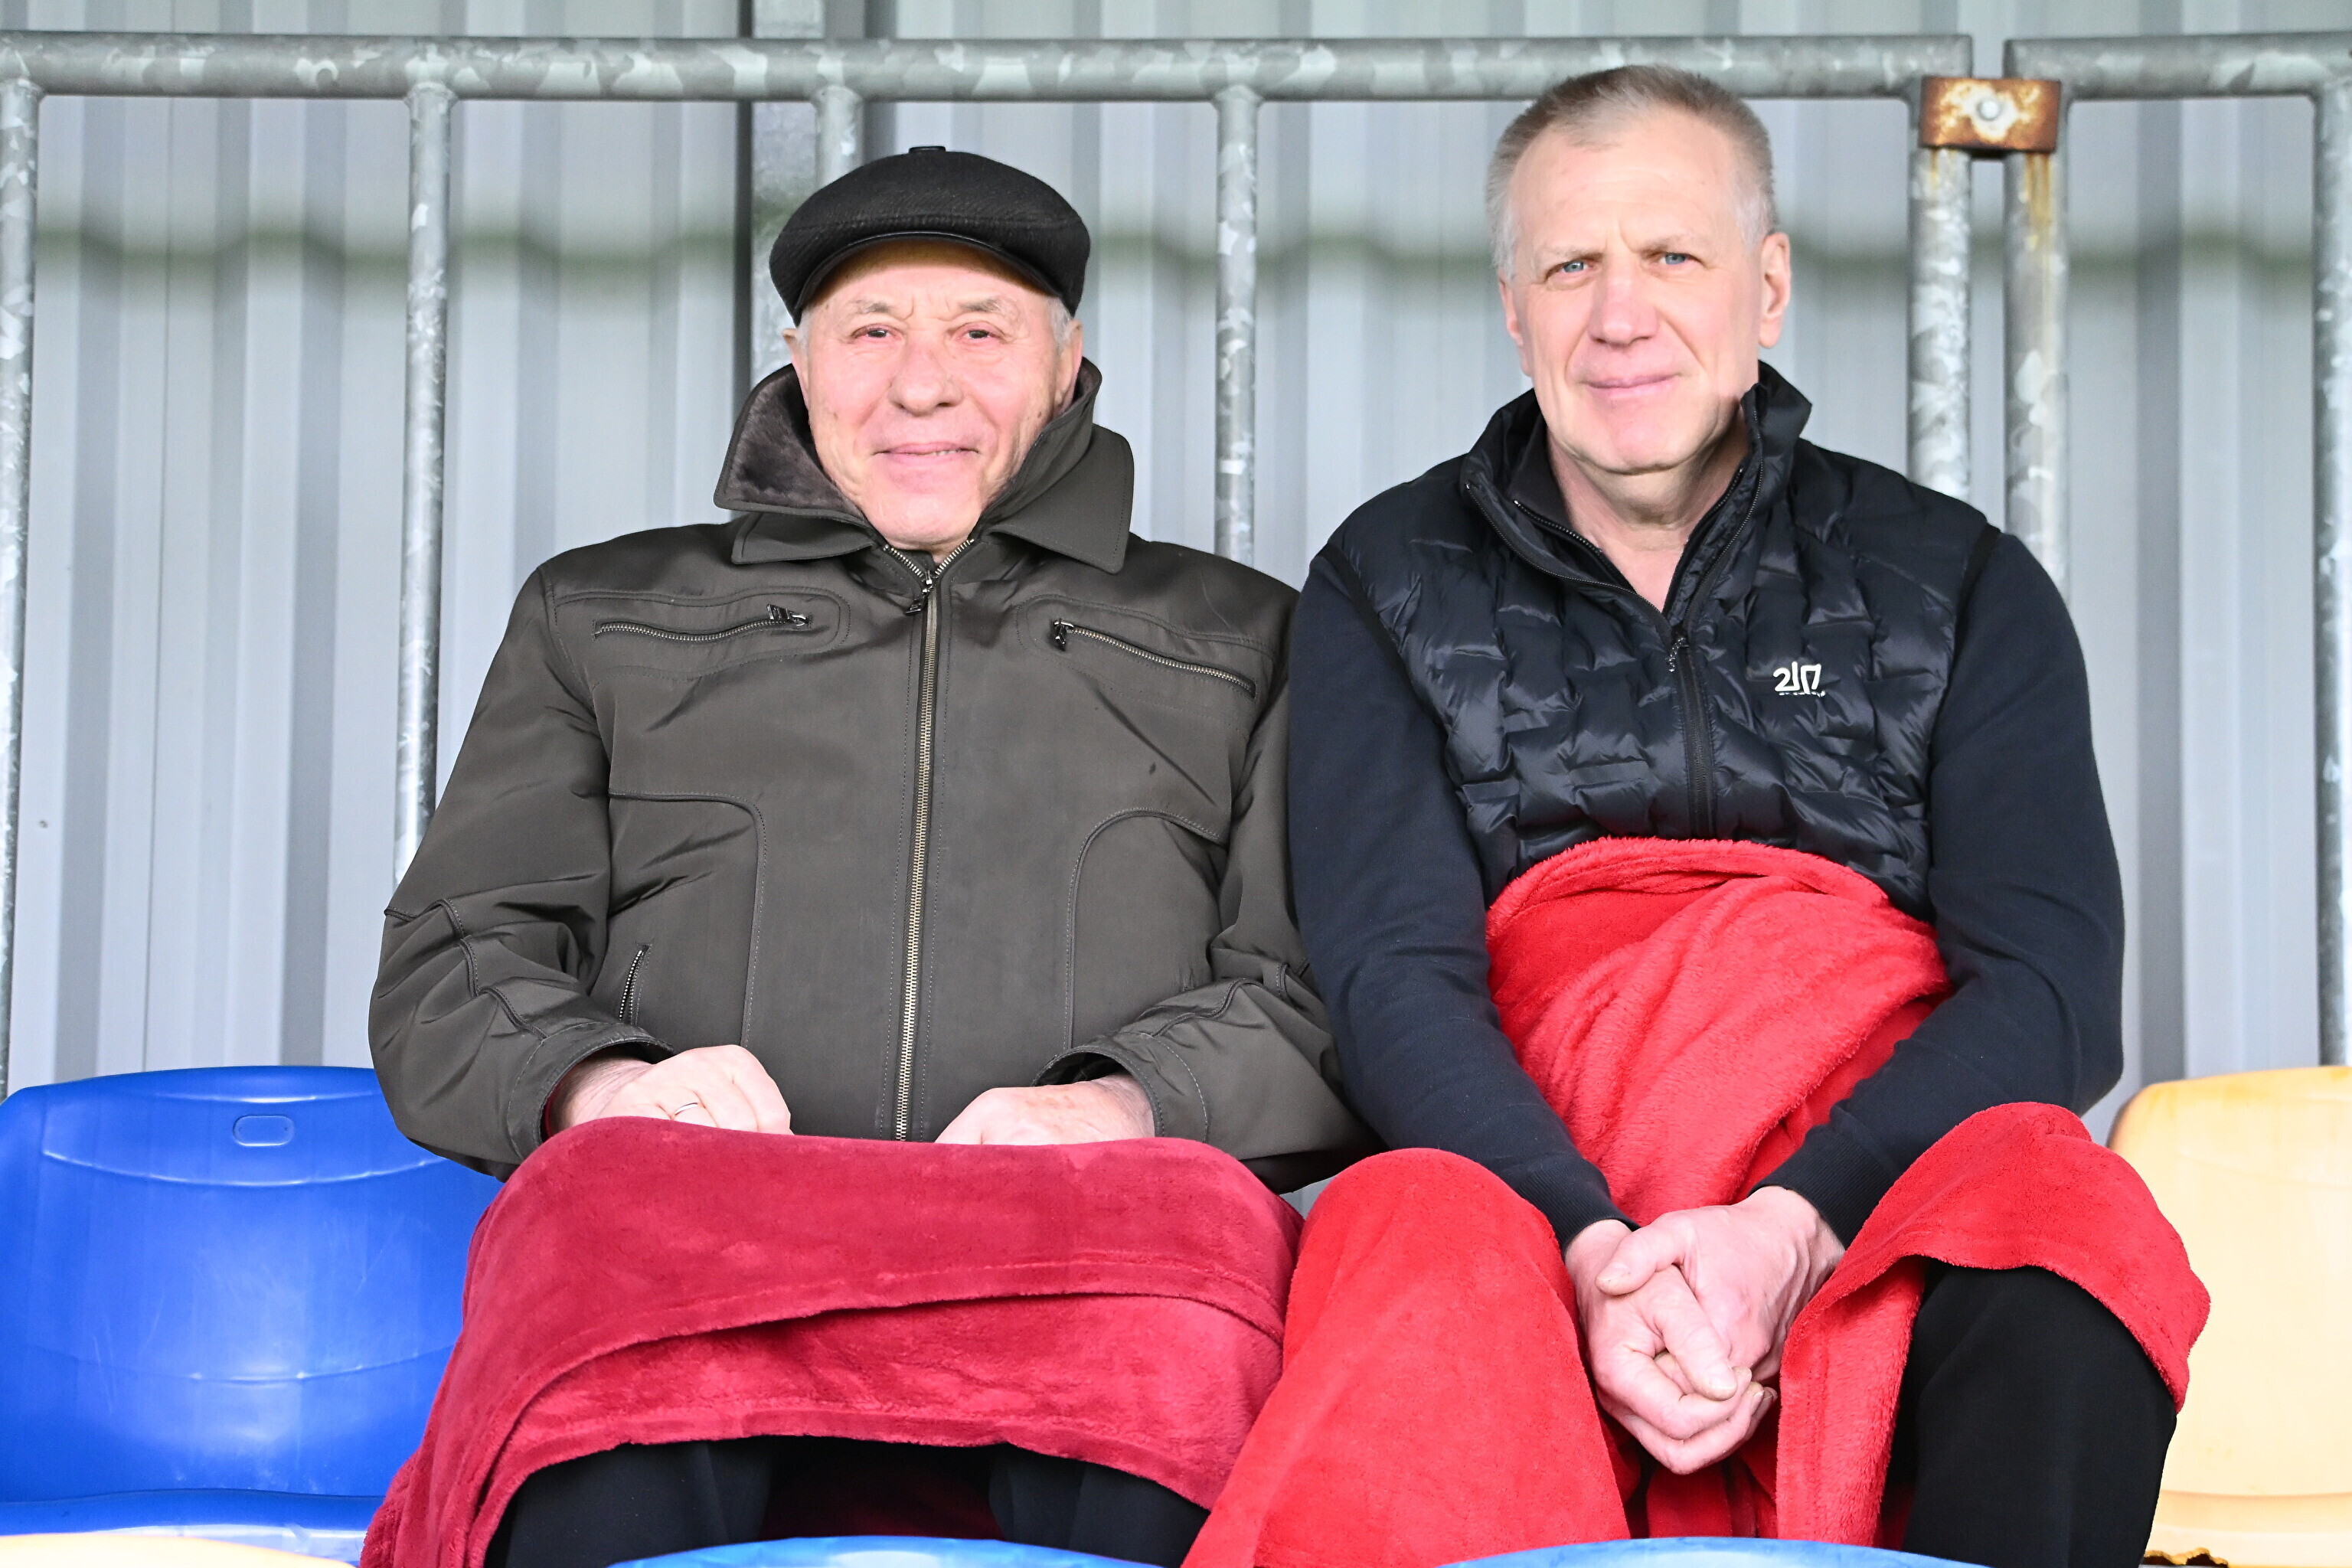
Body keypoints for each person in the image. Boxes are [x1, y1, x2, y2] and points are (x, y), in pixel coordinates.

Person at [1193, 67, 2192, 1568]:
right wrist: (1594, 1250)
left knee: (2067, 1217)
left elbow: (2049, 988)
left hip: (1871, 1177)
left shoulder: (1955, 580)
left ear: (1766, 288)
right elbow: (1392, 974)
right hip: (1538, 1184)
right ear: (1513, 308)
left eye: (1673, 254)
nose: (1622, 314)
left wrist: (1794, 1226)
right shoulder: (1386, 579)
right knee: (1405, 1226)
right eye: (1570, 265)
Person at [369, 147, 1365, 1568]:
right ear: (799, 360)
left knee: (1191, 1276)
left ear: (1068, 363)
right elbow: (456, 957)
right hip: (699, 1247)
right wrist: (608, 1087)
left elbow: (1319, 989)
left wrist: (1125, 1108)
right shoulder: (601, 614)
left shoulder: (1244, 640)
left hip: (1083, 1255)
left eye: (980, 332)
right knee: (589, 1236)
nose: (921, 386)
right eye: (873, 331)